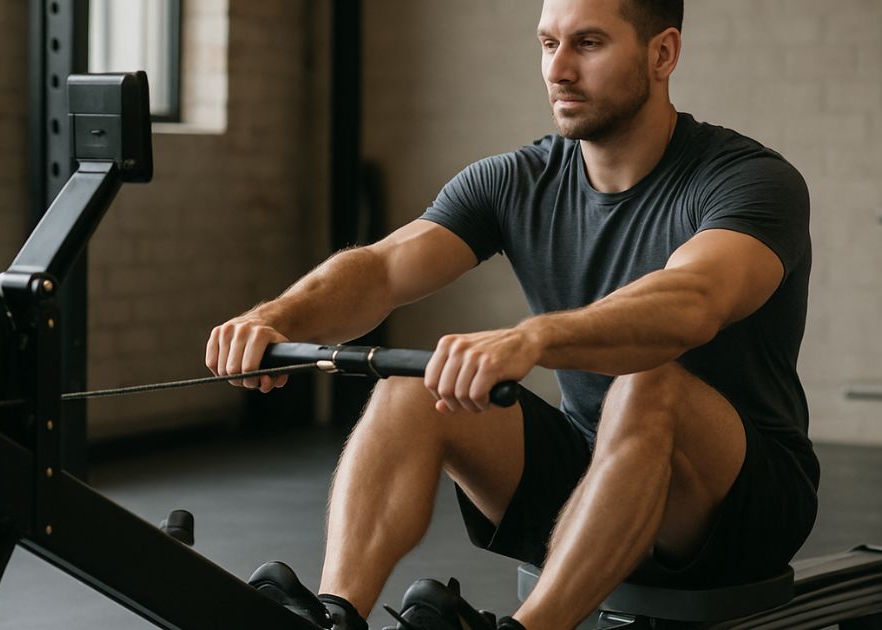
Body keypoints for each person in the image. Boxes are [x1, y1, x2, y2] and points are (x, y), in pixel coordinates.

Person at [206, 0, 818, 628]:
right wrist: (277, 317)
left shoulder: (750, 181)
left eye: (587, 44)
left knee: (647, 386)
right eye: (548, 44)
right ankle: (335, 614)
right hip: (593, 473)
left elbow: (692, 302)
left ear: (662, 54)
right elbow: (383, 268)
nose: (559, 70)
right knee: (409, 388)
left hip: (740, 508)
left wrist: (535, 337)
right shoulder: (516, 180)